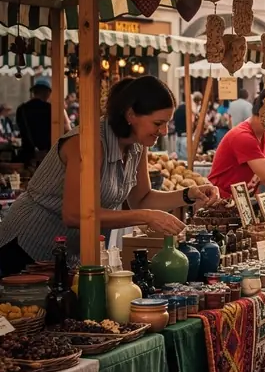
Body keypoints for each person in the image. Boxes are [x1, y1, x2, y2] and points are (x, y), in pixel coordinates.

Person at [0, 76, 219, 276]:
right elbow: (75, 214)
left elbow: (142, 198)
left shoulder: (137, 146)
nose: (164, 131)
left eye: (167, 123)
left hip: (64, 255)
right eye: (158, 123)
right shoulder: (88, 142)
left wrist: (190, 194)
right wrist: (147, 216)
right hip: (24, 247)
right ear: (131, 114)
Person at [15, 78, 53, 164]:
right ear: (46, 92)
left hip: (28, 153)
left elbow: (21, 128)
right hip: (47, 153)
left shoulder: (22, 109)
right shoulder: (50, 108)